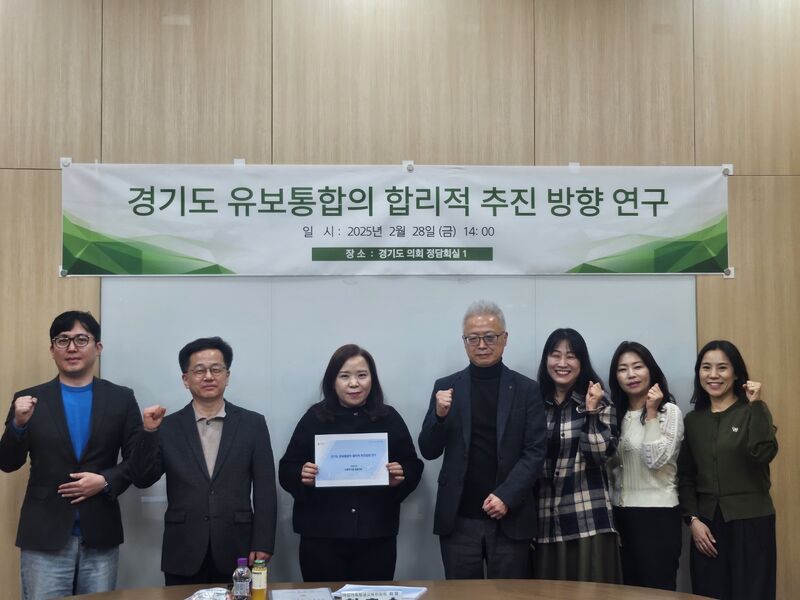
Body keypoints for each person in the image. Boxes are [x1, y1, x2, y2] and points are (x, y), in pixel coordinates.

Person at [0, 310, 142, 600]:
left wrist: (105, 481)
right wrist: (18, 425)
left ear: (98, 347)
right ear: (52, 349)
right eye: (63, 340)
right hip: (44, 536)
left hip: (100, 535)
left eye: (81, 339)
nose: (72, 347)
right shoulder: (29, 399)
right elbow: (8, 462)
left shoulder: (121, 398)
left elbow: (137, 462)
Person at [130, 336, 277, 586]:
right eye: (199, 370)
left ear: (227, 376)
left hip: (238, 548)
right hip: (183, 548)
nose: (208, 376)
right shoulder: (168, 426)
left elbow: (265, 489)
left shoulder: (253, 424)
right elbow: (142, 478)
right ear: (185, 379)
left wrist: (263, 542)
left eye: (216, 369)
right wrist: (149, 433)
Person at [418, 301, 546, 579]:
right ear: (464, 341)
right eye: (473, 338)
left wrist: (507, 496)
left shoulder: (527, 390)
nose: (482, 345)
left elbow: (535, 452)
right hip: (459, 518)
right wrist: (439, 416)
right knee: (461, 595)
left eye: (490, 337)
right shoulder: (446, 387)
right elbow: (428, 450)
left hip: (510, 516)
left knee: (509, 596)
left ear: (504, 338)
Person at [279, 344, 423, 582]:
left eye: (362, 375)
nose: (354, 384)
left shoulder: (389, 418)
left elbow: (413, 465)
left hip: (375, 535)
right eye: (344, 376)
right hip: (321, 537)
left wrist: (401, 475)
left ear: (372, 380)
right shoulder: (314, 417)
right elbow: (287, 469)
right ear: (332, 381)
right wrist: (302, 475)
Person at [678, 340, 777, 600]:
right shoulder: (693, 421)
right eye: (706, 367)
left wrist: (756, 406)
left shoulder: (752, 411)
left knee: (752, 593)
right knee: (709, 592)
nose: (713, 375)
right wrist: (693, 520)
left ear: (735, 374)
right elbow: (686, 477)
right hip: (707, 526)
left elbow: (763, 454)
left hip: (751, 522)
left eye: (722, 368)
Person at [533, 328, 620, 583]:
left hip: (587, 520)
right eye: (555, 355)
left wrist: (591, 412)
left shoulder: (600, 403)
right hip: (544, 522)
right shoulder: (535, 404)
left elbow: (597, 455)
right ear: (546, 360)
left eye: (570, 356)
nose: (562, 363)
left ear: (582, 362)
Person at [607, 341, 683, 590]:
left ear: (650, 370)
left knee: (657, 590)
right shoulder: (614, 414)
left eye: (638, 366)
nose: (631, 374)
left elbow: (655, 459)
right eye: (623, 369)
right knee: (627, 590)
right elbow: (609, 470)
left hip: (658, 515)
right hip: (621, 515)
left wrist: (651, 413)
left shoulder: (668, 412)